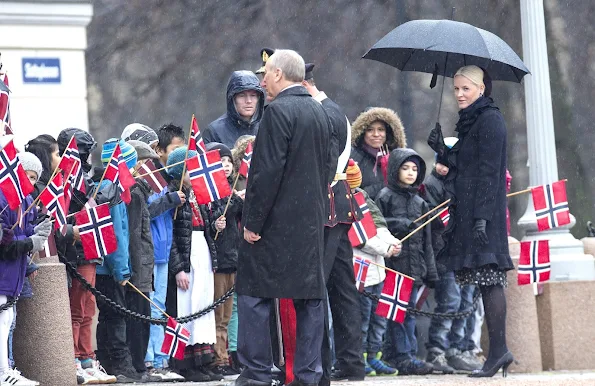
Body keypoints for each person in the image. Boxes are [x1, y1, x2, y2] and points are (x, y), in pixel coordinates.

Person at [233, 49, 331, 386]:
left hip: (274, 225)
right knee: (309, 300)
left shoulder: (277, 113)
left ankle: (257, 374)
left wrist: (252, 223)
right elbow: (327, 169)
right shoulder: (320, 112)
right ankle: (309, 374)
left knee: (253, 295)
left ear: (278, 74)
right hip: (309, 223)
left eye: (265, 74)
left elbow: (265, 173)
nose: (261, 82)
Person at [428, 65, 514, 378]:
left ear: (480, 88)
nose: (460, 94)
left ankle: (499, 352)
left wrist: (481, 220)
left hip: (484, 215)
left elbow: (490, 174)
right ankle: (497, 352)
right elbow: (465, 165)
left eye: (466, 88)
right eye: (456, 89)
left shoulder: (490, 119)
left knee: (491, 281)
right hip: (473, 212)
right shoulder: (471, 121)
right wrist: (441, 150)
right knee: (484, 282)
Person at [301, 62, 364, 383]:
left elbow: (325, 162)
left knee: (319, 286)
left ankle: (323, 364)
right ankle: (352, 361)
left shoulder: (324, 113)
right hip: (338, 203)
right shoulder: (333, 110)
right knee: (341, 287)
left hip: (326, 203)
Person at [421, 139, 482, 374]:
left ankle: (458, 348)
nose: (446, 166)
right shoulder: (431, 185)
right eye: (443, 161)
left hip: (465, 253)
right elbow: (434, 222)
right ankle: (437, 349)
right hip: (445, 253)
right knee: (450, 302)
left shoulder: (465, 184)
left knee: (466, 301)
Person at [94, 139, 153, 383]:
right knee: (116, 317)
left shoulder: (104, 186)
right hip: (110, 268)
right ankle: (120, 363)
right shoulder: (114, 191)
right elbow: (116, 235)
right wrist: (122, 269)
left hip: (102, 266)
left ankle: (108, 362)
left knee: (107, 316)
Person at [375, 148, 437, 376]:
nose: (411, 173)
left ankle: (407, 354)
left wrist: (431, 272)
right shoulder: (385, 196)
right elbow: (378, 226)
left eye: (415, 169)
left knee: (409, 312)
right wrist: (400, 224)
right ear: (394, 169)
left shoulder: (421, 203)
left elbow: (427, 242)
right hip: (393, 267)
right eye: (405, 168)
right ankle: (401, 355)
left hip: (414, 269)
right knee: (395, 313)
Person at [165, 146, 225, 382]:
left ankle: (203, 359)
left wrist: (215, 226)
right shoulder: (174, 195)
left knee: (202, 307)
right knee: (187, 307)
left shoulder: (197, 194)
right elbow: (171, 236)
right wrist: (178, 267)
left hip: (202, 254)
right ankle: (187, 362)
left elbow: (203, 226)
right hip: (187, 257)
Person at [0, 142, 52, 386]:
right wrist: (30, 241)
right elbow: (5, 240)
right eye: (26, 175)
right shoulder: (5, 198)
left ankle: (7, 368)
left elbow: (24, 231)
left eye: (34, 178)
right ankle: (3, 372)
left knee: (9, 319)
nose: (30, 182)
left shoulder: (25, 200)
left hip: (14, 273)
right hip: (3, 271)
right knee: (2, 322)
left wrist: (37, 231)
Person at [346, 159, 401, 377]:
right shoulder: (343, 200)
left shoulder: (363, 197)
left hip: (377, 269)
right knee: (363, 319)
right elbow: (359, 237)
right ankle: (359, 357)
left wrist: (392, 242)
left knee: (379, 319)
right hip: (360, 269)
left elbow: (379, 224)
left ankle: (374, 356)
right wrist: (385, 248)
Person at [204, 142, 243, 378]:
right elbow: (208, 224)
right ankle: (218, 357)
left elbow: (240, 209)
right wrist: (214, 224)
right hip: (218, 260)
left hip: (232, 259)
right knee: (218, 313)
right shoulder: (209, 192)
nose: (226, 166)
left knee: (228, 314)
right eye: (221, 162)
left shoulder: (231, 192)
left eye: (229, 161)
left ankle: (226, 354)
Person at [350, 107, 407, 200]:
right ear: (362, 132)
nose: (376, 134)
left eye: (380, 129)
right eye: (370, 130)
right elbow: (351, 193)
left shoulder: (397, 158)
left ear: (387, 132)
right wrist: (386, 186)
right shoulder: (353, 158)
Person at [203, 71, 265, 148]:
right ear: (232, 99)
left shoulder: (267, 126)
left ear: (259, 99)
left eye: (253, 95)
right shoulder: (214, 131)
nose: (248, 101)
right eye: (242, 96)